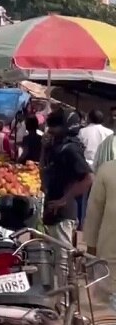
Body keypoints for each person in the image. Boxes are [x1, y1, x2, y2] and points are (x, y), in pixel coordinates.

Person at [42, 110, 92, 253]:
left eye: (54, 126)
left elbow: (88, 178)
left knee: (62, 257)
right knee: (50, 256)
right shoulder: (56, 148)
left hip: (64, 212)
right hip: (52, 208)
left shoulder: (71, 149)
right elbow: (44, 173)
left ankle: (66, 277)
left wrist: (64, 199)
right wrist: (44, 150)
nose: (50, 130)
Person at [84, 155, 116, 267]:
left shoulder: (107, 170)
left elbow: (94, 213)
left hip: (109, 255)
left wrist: (91, 247)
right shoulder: (107, 171)